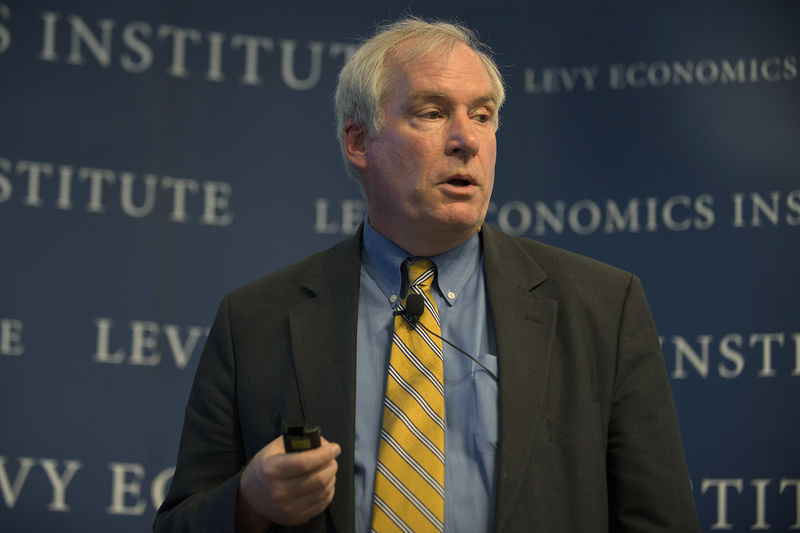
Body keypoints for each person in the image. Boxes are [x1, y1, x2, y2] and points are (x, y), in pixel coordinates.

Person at [154, 17, 700, 533]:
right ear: (359, 142)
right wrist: (249, 503)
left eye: (483, 115)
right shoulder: (254, 321)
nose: (467, 140)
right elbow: (179, 522)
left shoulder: (603, 307)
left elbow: (658, 518)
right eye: (433, 113)